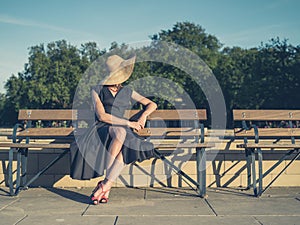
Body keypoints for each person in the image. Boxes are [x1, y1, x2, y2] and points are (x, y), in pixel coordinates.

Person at [71, 54, 157, 205]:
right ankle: (106, 185)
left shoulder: (128, 91)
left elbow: (152, 104)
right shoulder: (97, 90)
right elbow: (102, 116)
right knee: (122, 132)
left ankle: (105, 185)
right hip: (102, 128)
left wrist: (143, 116)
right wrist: (129, 123)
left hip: (122, 129)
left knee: (126, 145)